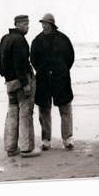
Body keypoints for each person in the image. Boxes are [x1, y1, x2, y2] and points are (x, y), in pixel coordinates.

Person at [0, 15, 40, 158]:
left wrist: (6, 74)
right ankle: (26, 149)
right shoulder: (20, 40)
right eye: (25, 24)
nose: (27, 27)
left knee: (12, 114)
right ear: (18, 24)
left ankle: (11, 148)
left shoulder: (5, 38)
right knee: (26, 114)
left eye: (28, 24)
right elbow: (20, 63)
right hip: (21, 81)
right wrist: (25, 83)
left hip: (10, 83)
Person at [31, 13, 75, 150]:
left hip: (61, 79)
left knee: (65, 108)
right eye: (42, 24)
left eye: (46, 24)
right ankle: (46, 140)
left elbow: (70, 58)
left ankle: (67, 139)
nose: (43, 26)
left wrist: (62, 70)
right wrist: (42, 70)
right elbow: (33, 60)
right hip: (43, 79)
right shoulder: (37, 41)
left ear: (52, 25)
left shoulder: (63, 39)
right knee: (44, 109)